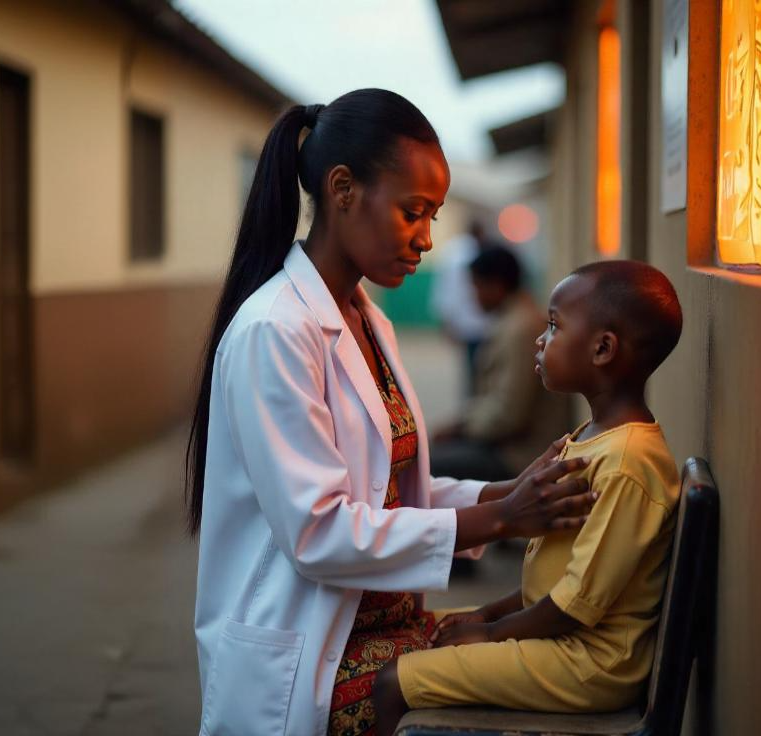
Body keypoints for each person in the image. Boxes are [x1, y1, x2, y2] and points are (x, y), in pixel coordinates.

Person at [186, 89, 599, 736]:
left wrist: (510, 492)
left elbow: (386, 493)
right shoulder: (276, 331)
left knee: (535, 656)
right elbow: (319, 532)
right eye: (413, 212)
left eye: (433, 216)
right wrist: (499, 518)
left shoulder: (366, 320)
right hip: (317, 655)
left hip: (382, 625)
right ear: (343, 189)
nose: (427, 240)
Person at [371, 260, 685, 734]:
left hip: (589, 664)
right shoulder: (594, 437)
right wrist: (488, 612)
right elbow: (559, 577)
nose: (541, 340)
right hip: (565, 641)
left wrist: (491, 634)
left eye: (555, 326)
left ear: (602, 349)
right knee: (422, 632)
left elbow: (578, 602)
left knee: (393, 681)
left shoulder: (627, 462)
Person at [431, 245, 570, 482]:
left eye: (476, 287)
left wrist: (460, 428)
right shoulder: (514, 319)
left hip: (520, 457)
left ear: (496, 285)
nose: (473, 296)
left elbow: (507, 416)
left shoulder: (521, 329)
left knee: (426, 466)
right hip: (507, 446)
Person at [429, 222, 493, 395]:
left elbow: (445, 288)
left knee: (473, 366)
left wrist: (446, 318)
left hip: (465, 319)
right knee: (480, 367)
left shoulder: (453, 251)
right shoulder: (475, 251)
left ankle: (473, 403)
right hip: (479, 320)